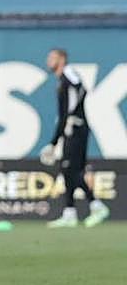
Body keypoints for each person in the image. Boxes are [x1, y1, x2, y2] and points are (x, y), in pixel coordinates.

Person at [40, 48, 108, 227]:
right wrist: (56, 140)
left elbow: (79, 90)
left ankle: (96, 204)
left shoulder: (68, 73)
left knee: (71, 169)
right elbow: (63, 114)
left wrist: (55, 140)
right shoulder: (61, 80)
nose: (49, 61)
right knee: (68, 170)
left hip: (77, 128)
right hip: (71, 129)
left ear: (61, 59)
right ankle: (70, 212)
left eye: (52, 57)